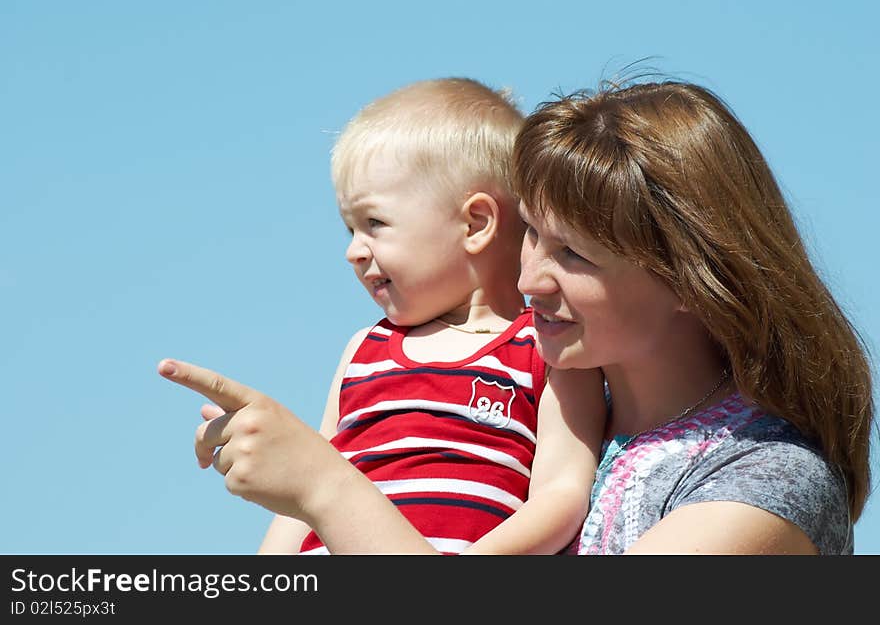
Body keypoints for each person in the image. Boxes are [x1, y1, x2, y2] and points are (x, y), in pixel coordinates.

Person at [159, 76, 874, 554]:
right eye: (530, 233)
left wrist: (323, 485)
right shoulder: (537, 420)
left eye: (575, 255)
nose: (529, 277)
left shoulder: (764, 484)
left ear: (691, 277)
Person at [254, 77, 605, 555]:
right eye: (349, 229)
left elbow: (562, 495)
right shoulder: (364, 351)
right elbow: (308, 488)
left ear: (474, 224)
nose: (354, 251)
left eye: (374, 223)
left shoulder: (548, 348)